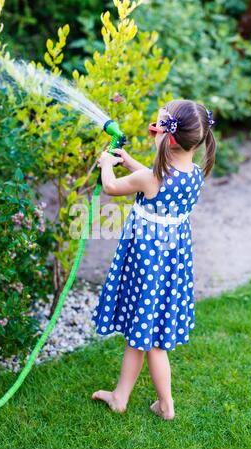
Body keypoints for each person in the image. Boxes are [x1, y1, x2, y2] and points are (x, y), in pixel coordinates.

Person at [91, 99, 216, 420]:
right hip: (169, 263)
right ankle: (122, 395)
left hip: (145, 262)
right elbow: (152, 178)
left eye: (158, 123)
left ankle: (166, 404)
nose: (153, 127)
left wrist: (107, 162)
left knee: (151, 343)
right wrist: (129, 160)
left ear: (167, 136)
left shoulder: (151, 179)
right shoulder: (195, 173)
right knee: (142, 331)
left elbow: (110, 187)